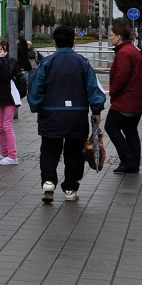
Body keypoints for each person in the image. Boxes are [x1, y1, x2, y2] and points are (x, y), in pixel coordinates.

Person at [27, 25, 106, 204]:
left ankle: (48, 182)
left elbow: (35, 88)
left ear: (55, 43)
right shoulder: (82, 62)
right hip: (76, 116)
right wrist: (96, 110)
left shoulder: (47, 62)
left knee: (49, 150)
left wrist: (37, 107)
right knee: (74, 152)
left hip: (51, 115)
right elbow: (93, 88)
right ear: (73, 42)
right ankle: (70, 188)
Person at [105, 24, 142, 174]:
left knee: (111, 127)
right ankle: (134, 164)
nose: (110, 37)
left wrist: (112, 92)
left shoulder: (124, 52)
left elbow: (121, 77)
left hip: (126, 101)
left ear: (119, 37)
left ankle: (128, 161)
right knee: (130, 131)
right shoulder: (132, 49)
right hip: (137, 99)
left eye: (111, 35)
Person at [0, 36, 21, 166]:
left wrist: (2, 60)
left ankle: (13, 156)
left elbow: (7, 75)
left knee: (7, 126)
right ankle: (4, 153)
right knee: (0, 127)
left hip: (9, 97)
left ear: (3, 48)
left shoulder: (11, 61)